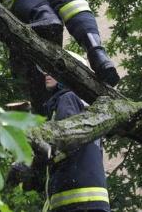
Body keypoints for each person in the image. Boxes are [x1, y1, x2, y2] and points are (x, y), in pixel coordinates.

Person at [40, 74, 110, 211]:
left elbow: (65, 139)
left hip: (73, 196)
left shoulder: (67, 98)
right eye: (43, 69)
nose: (46, 73)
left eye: (51, 70)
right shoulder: (89, 109)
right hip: (95, 197)